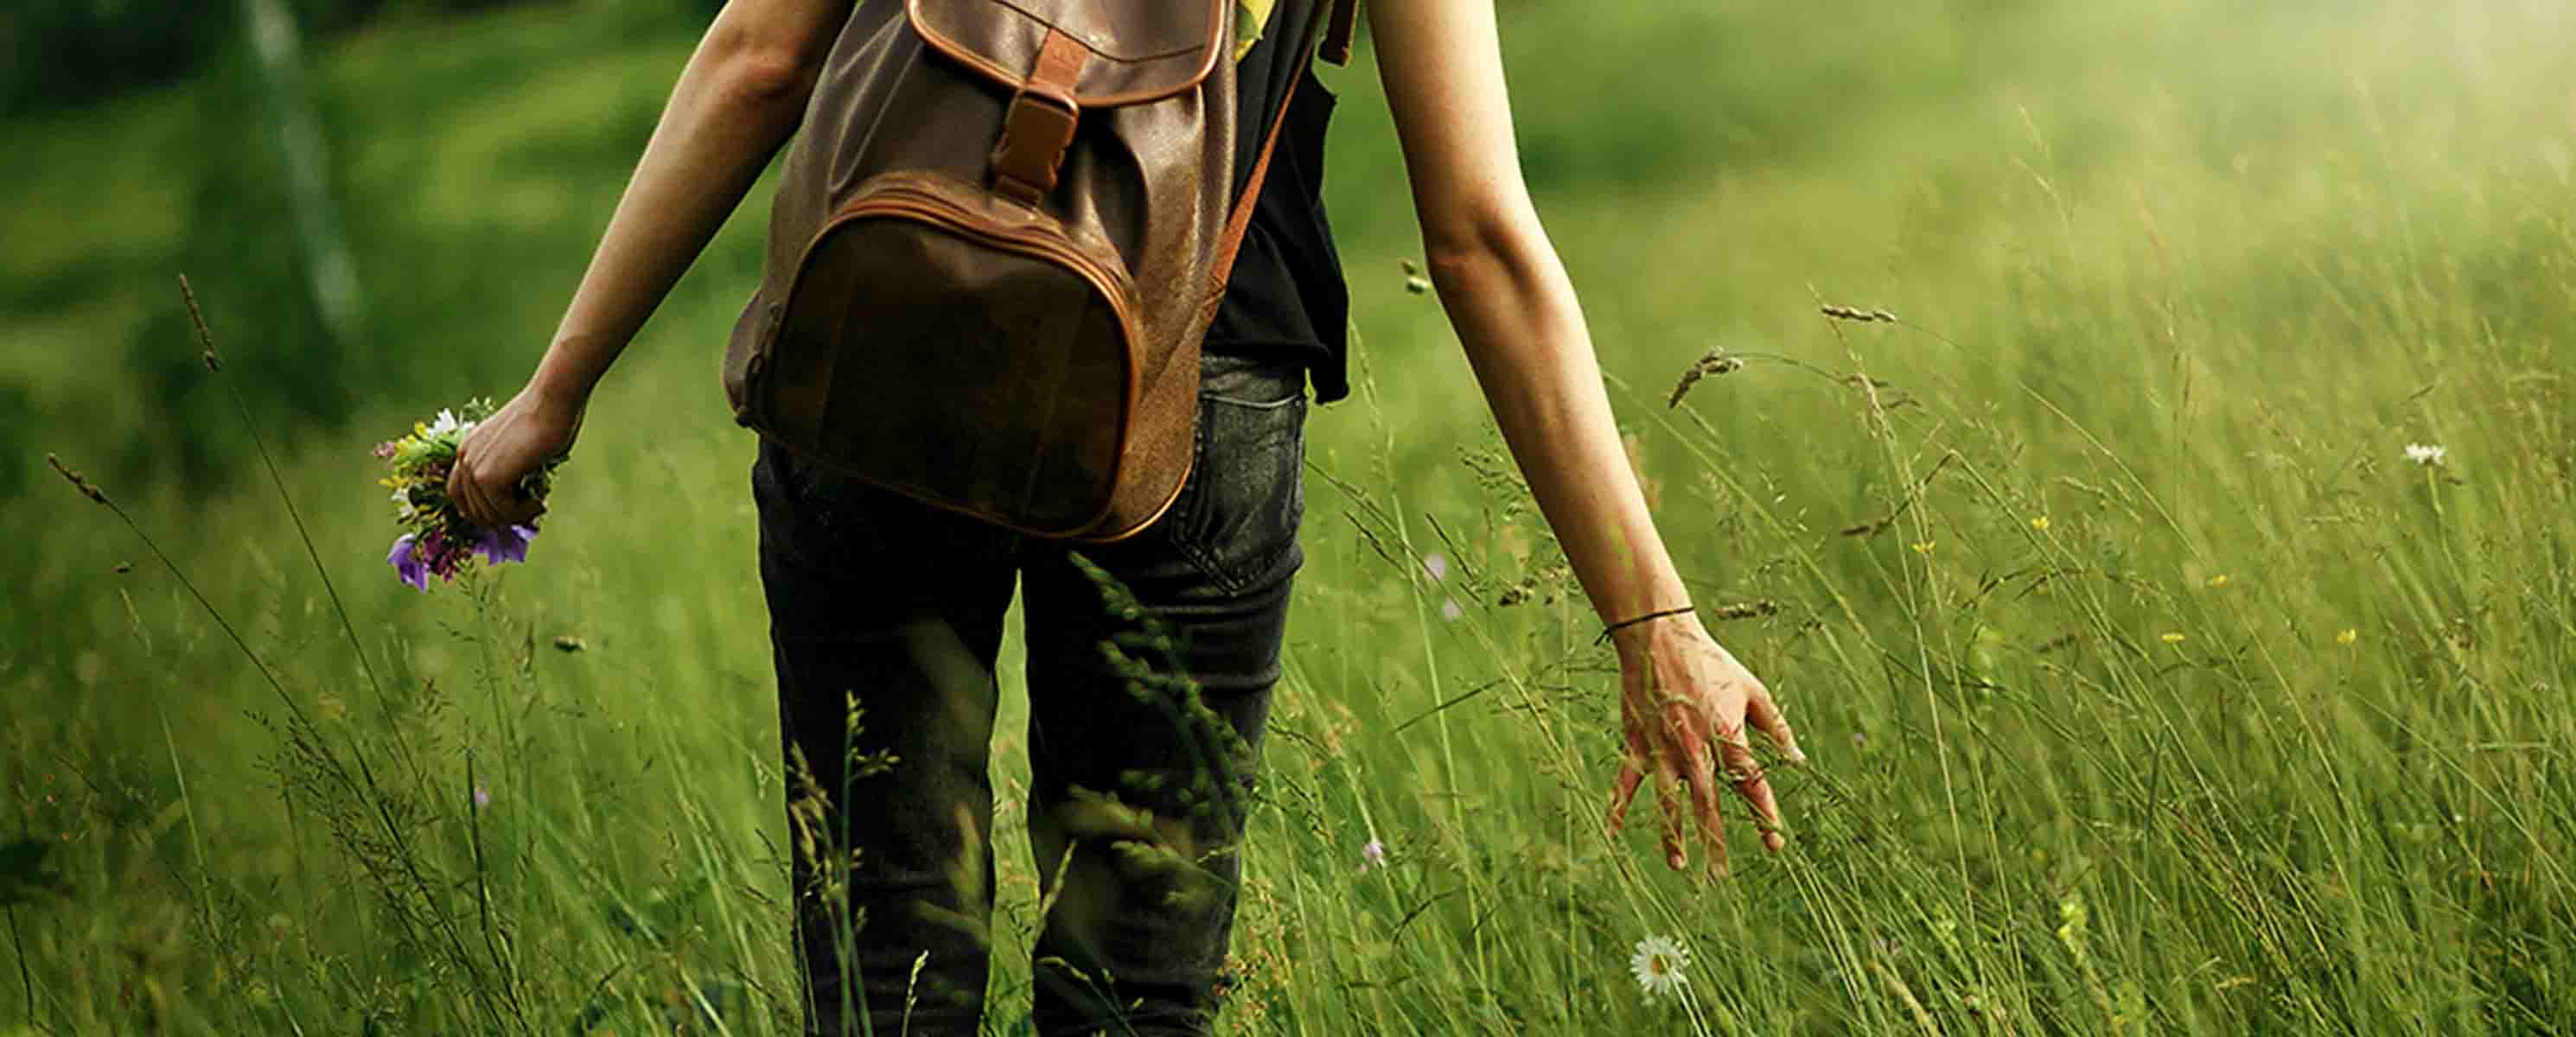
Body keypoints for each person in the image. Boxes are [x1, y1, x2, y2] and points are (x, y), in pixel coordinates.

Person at [448, 0, 1806, 1032]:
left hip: (881, 354)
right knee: (1137, 985)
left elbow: (759, 53)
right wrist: (1654, 621)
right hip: (1194, 390)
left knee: (886, 962)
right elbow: (1477, 238)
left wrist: (557, 390)